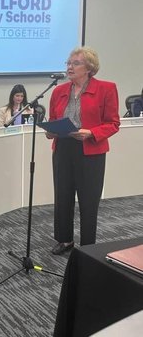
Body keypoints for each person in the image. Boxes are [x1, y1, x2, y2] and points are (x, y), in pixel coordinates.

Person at [46, 46, 120, 255]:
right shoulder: (58, 91)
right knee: (63, 195)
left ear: (89, 68)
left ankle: (89, 245)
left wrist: (92, 133)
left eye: (75, 63)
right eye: (68, 63)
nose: (70, 67)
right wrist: (50, 131)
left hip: (91, 150)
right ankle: (65, 239)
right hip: (63, 147)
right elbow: (53, 119)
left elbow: (113, 123)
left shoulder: (106, 88)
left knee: (88, 199)